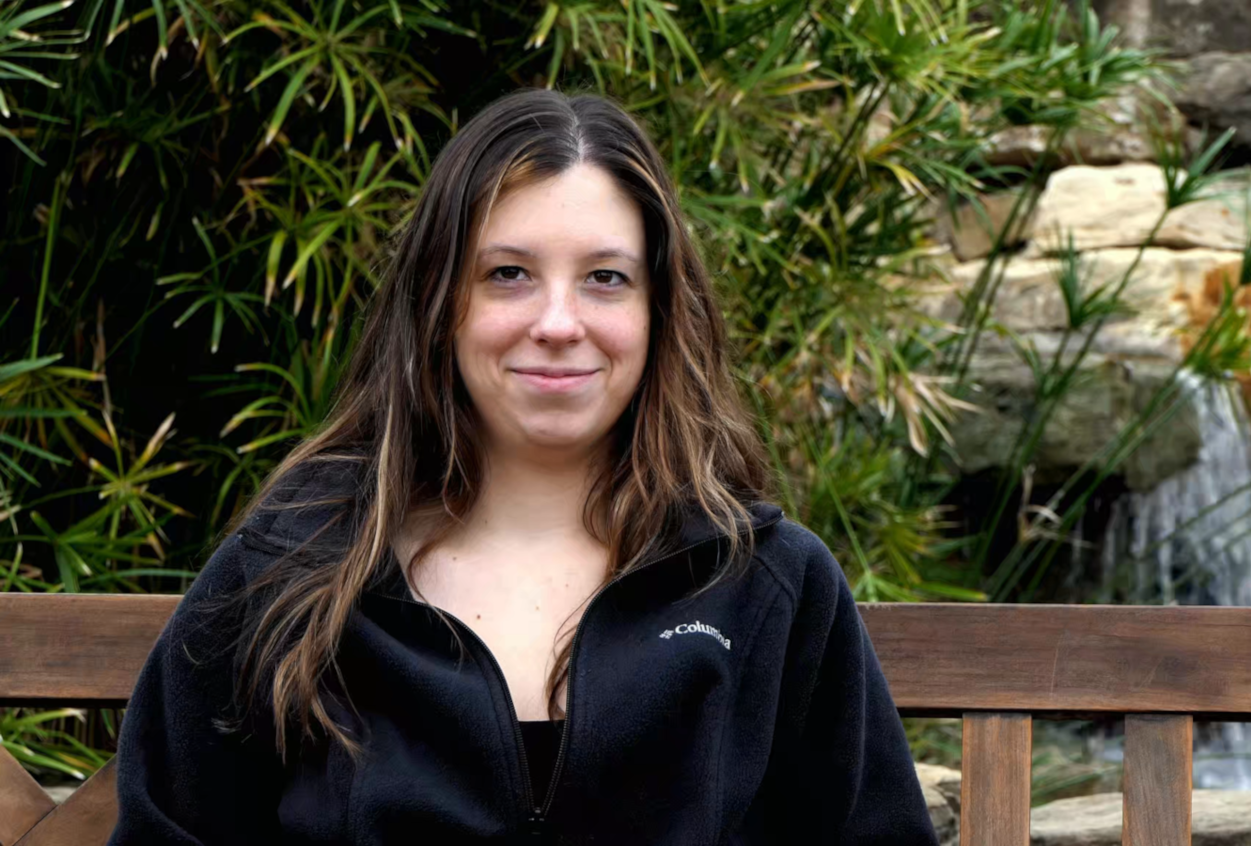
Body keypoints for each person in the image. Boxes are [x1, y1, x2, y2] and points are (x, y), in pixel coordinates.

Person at [107, 88, 939, 846]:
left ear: (659, 312)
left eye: (605, 279)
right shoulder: (292, 568)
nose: (557, 321)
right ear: (440, 303)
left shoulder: (766, 584)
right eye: (509, 274)